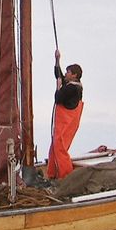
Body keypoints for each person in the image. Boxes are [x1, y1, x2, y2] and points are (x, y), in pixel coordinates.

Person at [47, 49, 84, 180]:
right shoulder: (73, 86)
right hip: (67, 122)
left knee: (60, 147)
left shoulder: (73, 88)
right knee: (55, 147)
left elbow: (58, 98)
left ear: (74, 75)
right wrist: (57, 60)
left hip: (66, 123)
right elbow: (59, 76)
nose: (66, 74)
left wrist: (58, 87)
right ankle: (52, 174)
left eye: (68, 72)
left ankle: (65, 176)